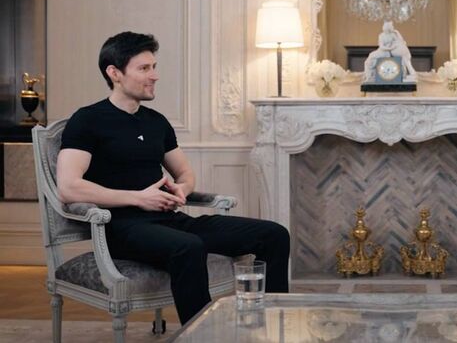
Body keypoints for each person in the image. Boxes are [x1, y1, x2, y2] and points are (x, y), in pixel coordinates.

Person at [56, 31, 290, 324]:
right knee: (188, 246)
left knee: (274, 234)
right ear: (114, 73)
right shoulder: (87, 120)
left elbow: (184, 173)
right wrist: (139, 199)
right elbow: (69, 187)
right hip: (122, 228)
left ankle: (274, 325)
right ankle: (200, 334)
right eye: (144, 68)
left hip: (171, 222)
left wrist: (182, 189)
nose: (154, 75)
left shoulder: (156, 121)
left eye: (154, 67)